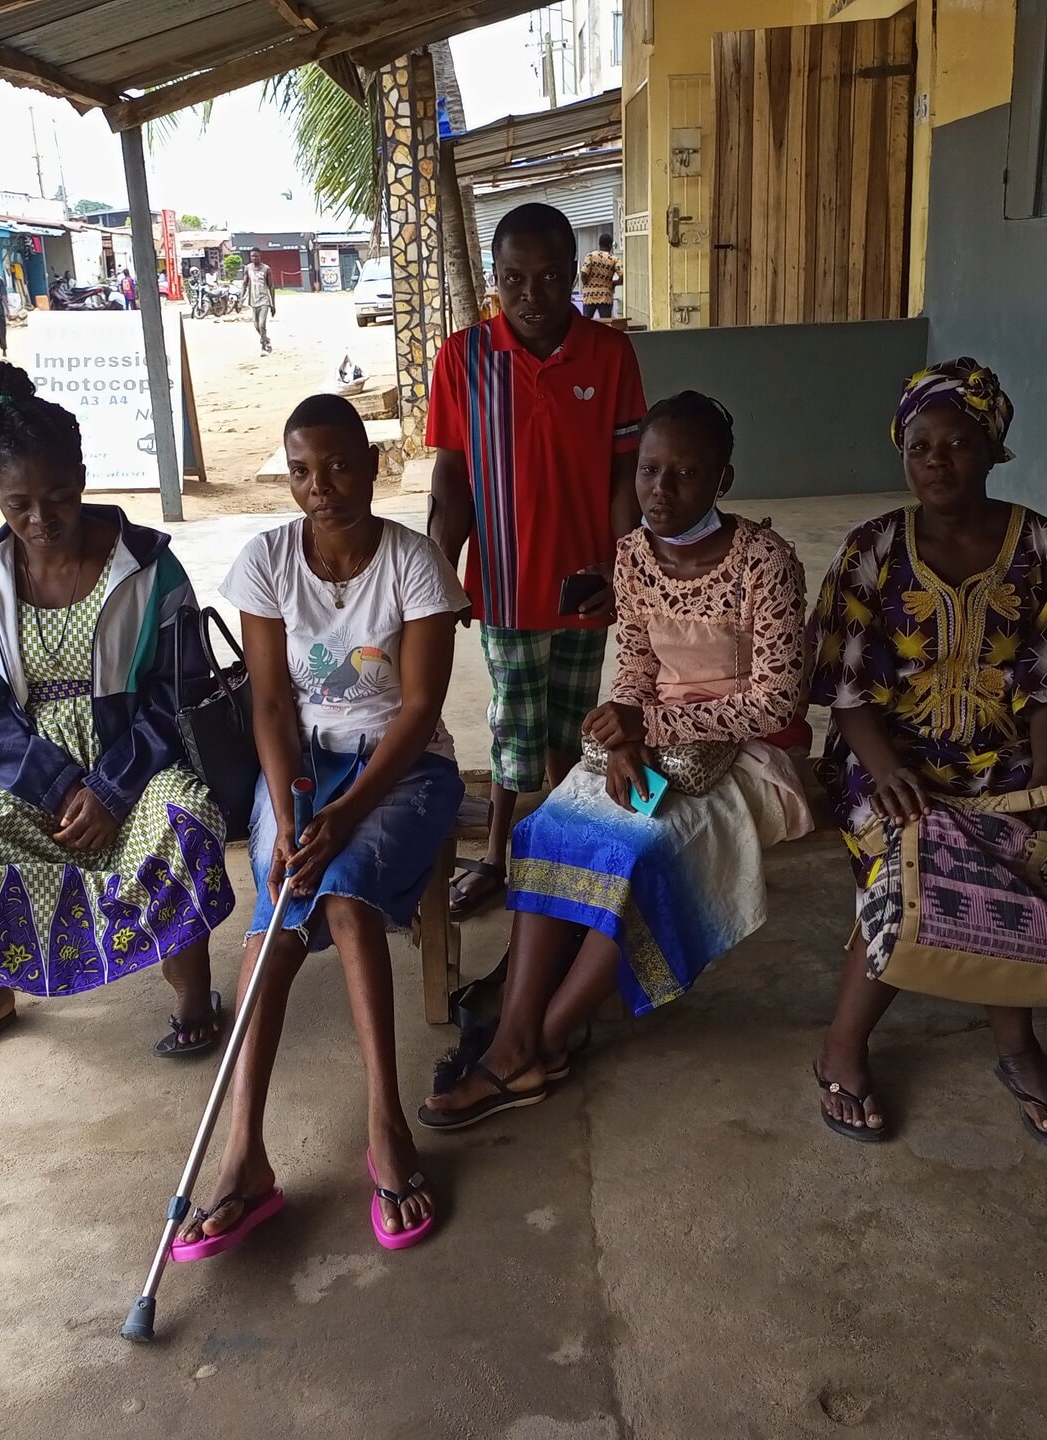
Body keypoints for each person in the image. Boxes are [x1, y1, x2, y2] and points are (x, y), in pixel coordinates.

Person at [420, 392, 812, 1129]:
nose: (661, 492)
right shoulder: (632, 556)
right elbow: (633, 668)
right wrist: (628, 737)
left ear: (723, 480)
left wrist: (648, 722)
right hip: (653, 740)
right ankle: (518, 1036)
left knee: (642, 851)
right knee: (549, 830)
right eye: (650, 471)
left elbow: (778, 702)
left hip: (752, 756)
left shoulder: (765, 560)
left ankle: (539, 1040)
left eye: (686, 475)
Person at [170, 394, 467, 1257]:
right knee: (274, 924)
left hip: (403, 767)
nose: (321, 486)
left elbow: (419, 709)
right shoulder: (266, 560)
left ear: (372, 467)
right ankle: (243, 1156)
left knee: (338, 898)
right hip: (298, 771)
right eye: (301, 470)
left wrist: (341, 814)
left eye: (339, 466)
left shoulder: (414, 563)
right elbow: (268, 702)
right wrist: (292, 806)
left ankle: (384, 1126)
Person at [806, 359, 1047, 1148]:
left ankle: (1016, 1046)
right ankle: (843, 1045)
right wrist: (885, 769)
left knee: (1043, 846)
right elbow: (843, 685)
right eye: (920, 447)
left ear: (992, 449)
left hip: (1007, 759)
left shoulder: (1046, 548)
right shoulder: (871, 549)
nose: (936, 462)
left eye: (957, 444)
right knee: (912, 853)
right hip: (883, 756)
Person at [0, 360, 235, 1081]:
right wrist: (55, 785)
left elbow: (178, 693)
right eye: (18, 504)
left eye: (58, 496)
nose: (41, 520)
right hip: (23, 770)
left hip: (136, 761)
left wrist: (113, 788)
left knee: (186, 826)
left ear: (84, 476)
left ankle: (189, 988)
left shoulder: (148, 569)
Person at [428, 202, 647, 919]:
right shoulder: (462, 359)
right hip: (507, 588)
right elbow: (452, 477)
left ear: (574, 276)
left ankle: (557, 846)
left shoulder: (610, 356)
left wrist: (623, 572)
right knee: (513, 730)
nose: (532, 295)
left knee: (574, 723)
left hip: (587, 585)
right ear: (494, 278)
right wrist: (439, 568)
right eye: (515, 279)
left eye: (550, 277)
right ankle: (497, 855)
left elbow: (624, 478)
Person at [579, 232, 622, 320]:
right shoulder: (614, 259)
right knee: (606, 324)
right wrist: (614, 283)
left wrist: (586, 283)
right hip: (605, 295)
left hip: (589, 295)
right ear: (610, 245)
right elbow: (623, 275)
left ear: (599, 244)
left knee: (586, 323)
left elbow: (583, 273)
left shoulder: (590, 256)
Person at [241, 250, 275, 354]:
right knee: (256, 325)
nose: (254, 258)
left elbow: (271, 286)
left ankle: (263, 346)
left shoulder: (266, 269)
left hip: (264, 300)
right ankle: (266, 340)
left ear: (260, 256)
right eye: (252, 256)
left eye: (256, 256)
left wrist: (273, 304)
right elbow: (244, 284)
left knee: (261, 324)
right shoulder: (248, 268)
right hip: (253, 300)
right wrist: (241, 299)